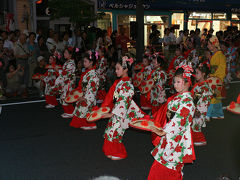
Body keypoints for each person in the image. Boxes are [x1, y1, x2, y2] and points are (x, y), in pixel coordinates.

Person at [148, 62, 195, 180]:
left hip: (176, 138)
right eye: (174, 81)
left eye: (178, 82)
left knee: (167, 165)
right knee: (167, 165)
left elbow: (179, 121)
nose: (174, 84)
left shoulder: (188, 102)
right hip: (170, 134)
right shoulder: (179, 97)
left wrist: (163, 131)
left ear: (187, 83)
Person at [101, 56, 145, 160]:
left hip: (121, 113)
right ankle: (111, 151)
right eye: (115, 68)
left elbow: (123, 103)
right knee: (110, 131)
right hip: (117, 110)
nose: (115, 71)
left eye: (118, 68)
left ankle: (119, 153)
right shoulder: (122, 82)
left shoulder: (127, 84)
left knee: (116, 132)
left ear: (125, 69)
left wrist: (111, 114)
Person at [70, 50, 99, 130]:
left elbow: (92, 89)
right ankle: (89, 123)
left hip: (89, 97)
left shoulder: (93, 74)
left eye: (86, 61)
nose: (84, 63)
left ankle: (91, 124)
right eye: (84, 61)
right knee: (82, 110)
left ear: (91, 62)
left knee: (83, 109)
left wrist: (85, 98)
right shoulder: (88, 72)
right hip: (85, 94)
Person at [49, 47, 76, 118]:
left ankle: (71, 112)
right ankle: (68, 112)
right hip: (66, 81)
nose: (64, 54)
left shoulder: (71, 63)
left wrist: (58, 71)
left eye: (66, 53)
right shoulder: (68, 62)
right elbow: (65, 72)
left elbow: (66, 74)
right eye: (64, 52)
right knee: (64, 97)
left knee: (66, 97)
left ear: (70, 54)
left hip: (69, 82)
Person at [191, 63, 212, 146]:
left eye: (197, 73)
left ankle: (201, 140)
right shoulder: (199, 85)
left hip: (199, 109)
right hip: (198, 107)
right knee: (194, 124)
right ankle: (196, 139)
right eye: (195, 73)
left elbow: (198, 100)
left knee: (196, 125)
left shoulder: (204, 87)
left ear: (203, 74)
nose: (195, 75)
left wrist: (195, 109)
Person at [206, 36, 226, 120]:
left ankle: (208, 115)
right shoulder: (220, 54)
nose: (207, 46)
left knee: (212, 97)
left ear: (213, 45)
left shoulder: (216, 56)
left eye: (208, 44)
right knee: (216, 98)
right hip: (219, 79)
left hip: (215, 79)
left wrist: (209, 76)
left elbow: (213, 71)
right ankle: (219, 114)